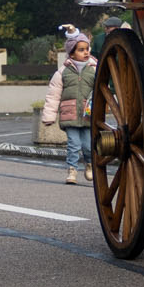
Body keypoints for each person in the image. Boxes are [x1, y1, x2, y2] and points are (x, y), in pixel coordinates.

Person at [44, 31, 97, 184]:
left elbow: (102, 90)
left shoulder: (95, 68)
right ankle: (72, 170)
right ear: (72, 53)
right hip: (69, 115)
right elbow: (53, 95)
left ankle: (89, 165)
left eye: (87, 49)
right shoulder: (62, 72)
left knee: (88, 146)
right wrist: (49, 117)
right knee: (73, 145)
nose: (86, 52)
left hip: (88, 115)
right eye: (81, 50)